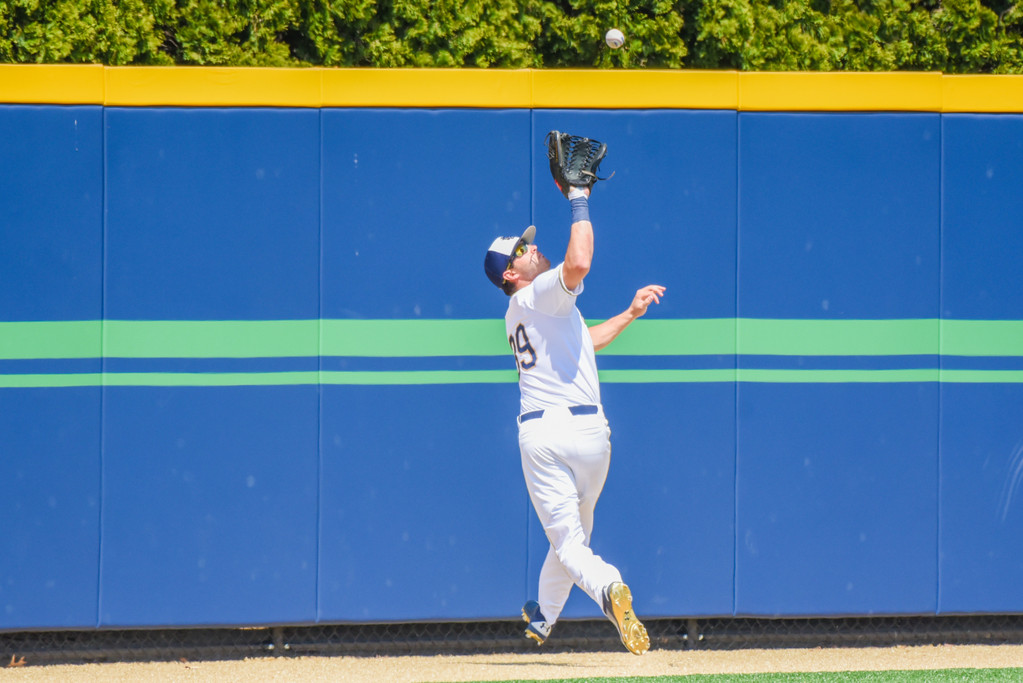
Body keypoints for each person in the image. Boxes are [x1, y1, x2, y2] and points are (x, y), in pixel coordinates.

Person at [483, 180, 665, 656]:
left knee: (568, 543)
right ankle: (544, 617)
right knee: (572, 539)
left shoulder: (524, 310)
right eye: (521, 249)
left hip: (545, 435)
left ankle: (609, 588)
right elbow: (579, 262)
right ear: (509, 273)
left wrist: (629, 313)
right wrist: (579, 197)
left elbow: (589, 340)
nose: (532, 246)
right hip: (592, 437)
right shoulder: (540, 292)